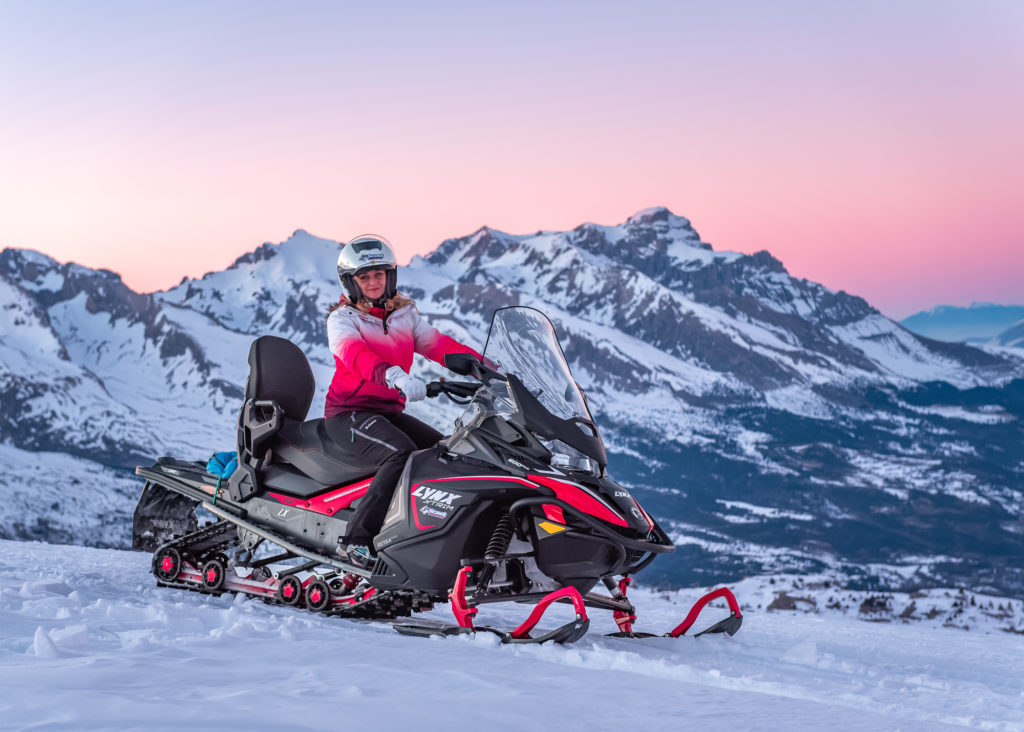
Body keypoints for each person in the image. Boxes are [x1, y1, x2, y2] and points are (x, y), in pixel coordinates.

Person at [325, 234, 481, 567]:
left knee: (446, 453)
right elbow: (357, 357)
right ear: (351, 282)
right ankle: (356, 541)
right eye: (364, 277)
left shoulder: (404, 316)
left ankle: (419, 535)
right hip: (348, 414)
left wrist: (488, 369)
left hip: (387, 412)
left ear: (390, 276)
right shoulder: (342, 320)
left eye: (378, 275)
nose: (372, 282)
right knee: (400, 453)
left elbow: (438, 344)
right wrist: (396, 376)